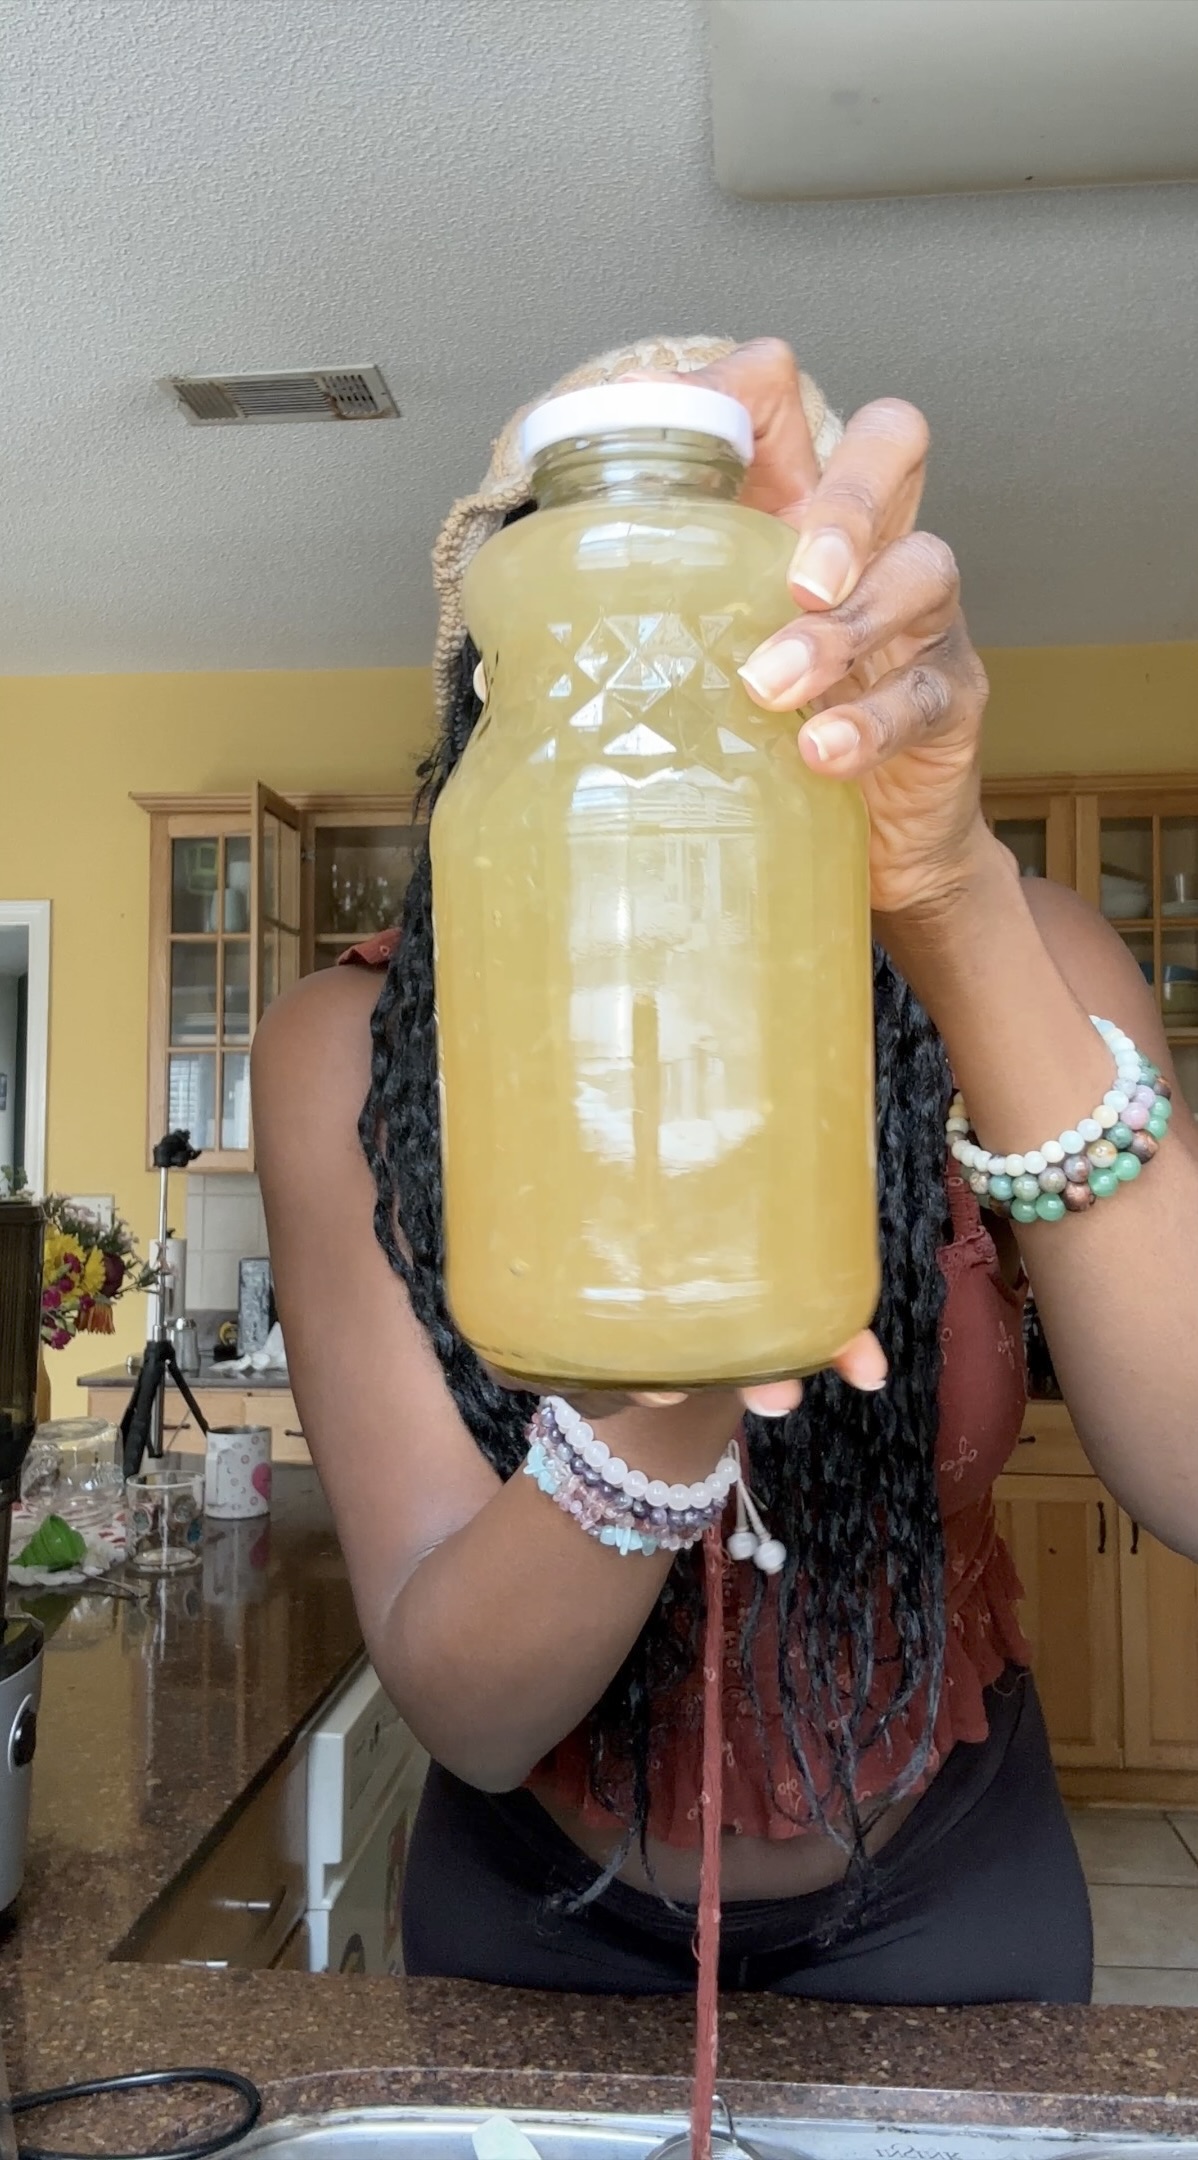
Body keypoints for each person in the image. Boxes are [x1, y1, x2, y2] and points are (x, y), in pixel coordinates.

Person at [252, 335, 1198, 2005]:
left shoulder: (1013, 944)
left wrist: (945, 892)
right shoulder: (347, 1042)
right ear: (504, 670)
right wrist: (682, 1347)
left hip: (944, 1885)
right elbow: (468, 1710)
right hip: (536, 1914)